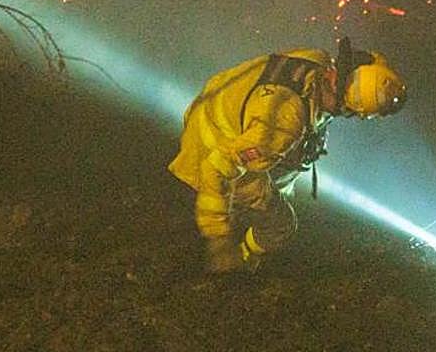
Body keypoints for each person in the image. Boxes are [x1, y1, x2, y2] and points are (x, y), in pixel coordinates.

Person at [168, 38, 406, 273]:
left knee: (286, 170)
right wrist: (218, 239)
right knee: (281, 224)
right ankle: (242, 259)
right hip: (210, 148)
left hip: (214, 109)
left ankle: (239, 209)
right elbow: (217, 167)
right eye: (350, 112)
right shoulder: (283, 124)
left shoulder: (316, 61)